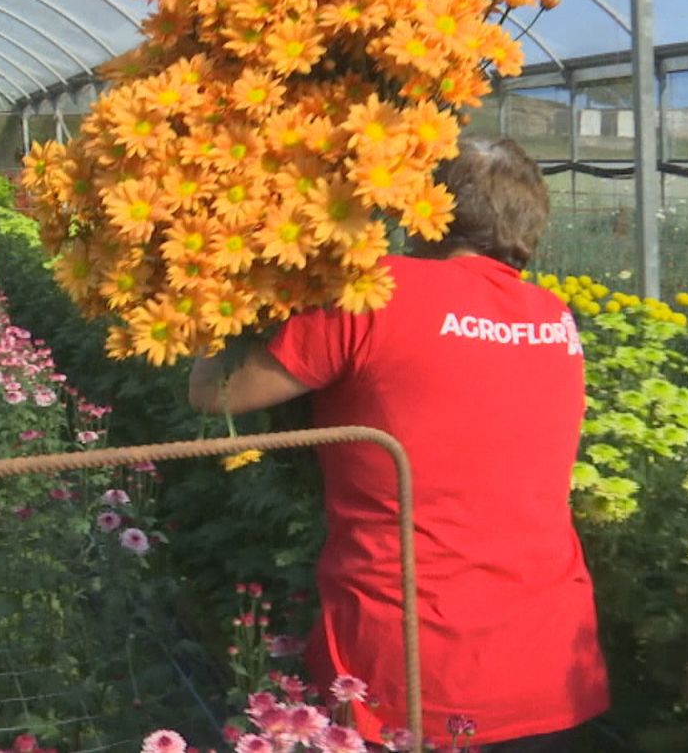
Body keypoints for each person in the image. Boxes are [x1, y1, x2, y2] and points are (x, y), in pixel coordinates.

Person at [188, 136, 609, 751]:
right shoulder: (555, 315)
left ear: (421, 208)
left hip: (413, 671)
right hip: (550, 662)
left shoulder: (375, 293)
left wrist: (210, 300)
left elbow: (218, 394)